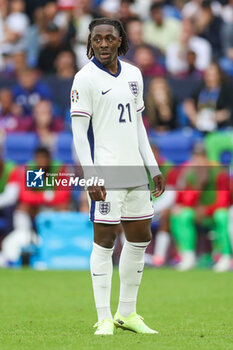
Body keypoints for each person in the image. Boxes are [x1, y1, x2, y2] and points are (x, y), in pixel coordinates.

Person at [70, 17, 165, 335]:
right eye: (97, 39)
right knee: (105, 241)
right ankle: (103, 317)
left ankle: (127, 313)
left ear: (120, 40)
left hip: (135, 172)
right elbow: (80, 135)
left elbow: (138, 128)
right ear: (90, 42)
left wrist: (152, 166)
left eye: (110, 38)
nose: (103, 44)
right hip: (107, 173)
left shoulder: (135, 75)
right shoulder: (84, 79)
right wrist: (91, 175)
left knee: (140, 239)